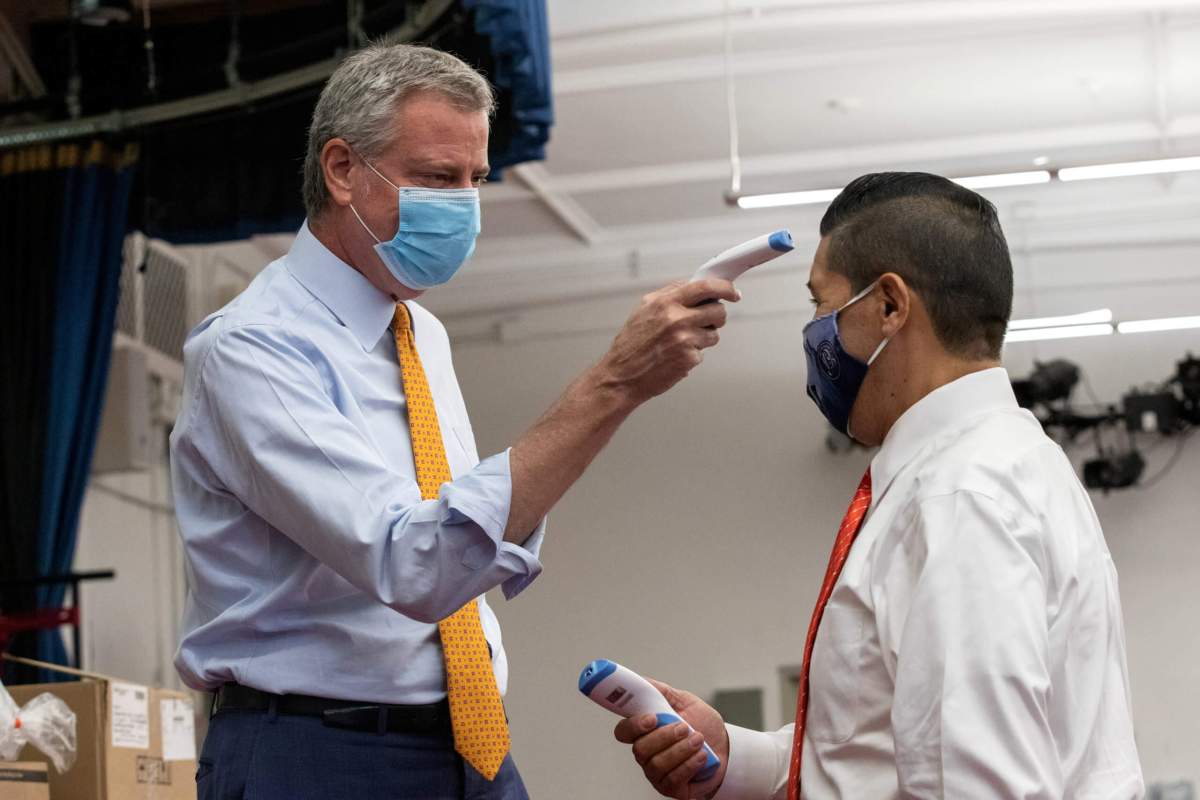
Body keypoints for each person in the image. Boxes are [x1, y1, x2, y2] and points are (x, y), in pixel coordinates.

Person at [169, 42, 738, 800]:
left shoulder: (418, 334)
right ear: (342, 170)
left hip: (468, 745)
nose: (464, 204)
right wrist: (614, 383)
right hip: (313, 754)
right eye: (437, 178)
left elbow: (456, 531)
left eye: (474, 179)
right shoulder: (251, 349)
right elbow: (414, 562)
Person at [613, 172, 1144, 799]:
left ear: (890, 305)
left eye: (821, 303)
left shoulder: (959, 496)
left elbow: (975, 783)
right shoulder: (1004, 466)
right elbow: (898, 741)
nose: (815, 330)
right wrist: (737, 756)